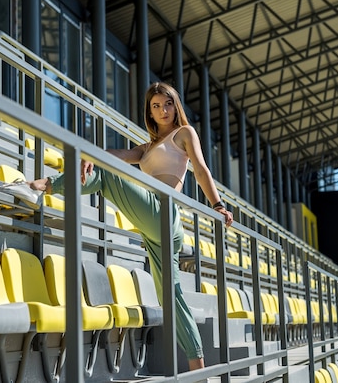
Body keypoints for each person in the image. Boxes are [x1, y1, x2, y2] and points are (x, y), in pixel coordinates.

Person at [29, 81, 233, 372]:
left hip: (163, 212)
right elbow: (116, 155)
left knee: (107, 177)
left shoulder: (184, 133)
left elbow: (200, 169)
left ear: (176, 106)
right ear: (149, 113)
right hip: (155, 228)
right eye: (156, 106)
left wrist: (217, 205)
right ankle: (198, 371)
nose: (163, 110)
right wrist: (90, 155)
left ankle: (46, 185)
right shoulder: (146, 148)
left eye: (168, 104)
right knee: (170, 298)